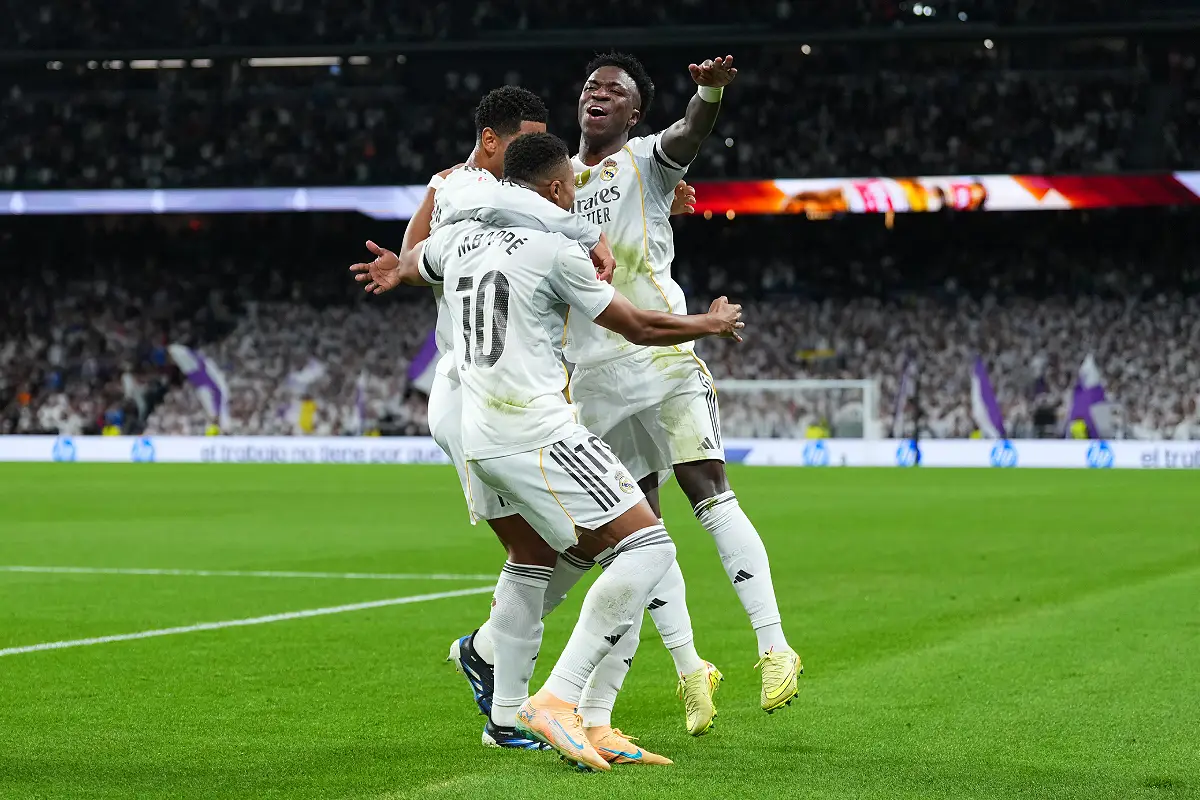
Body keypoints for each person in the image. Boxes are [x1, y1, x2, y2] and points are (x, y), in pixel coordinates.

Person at [351, 87, 711, 754]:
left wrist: (622, 215)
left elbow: (424, 252)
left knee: (552, 551)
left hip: (521, 398)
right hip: (486, 401)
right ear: (492, 143)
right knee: (614, 546)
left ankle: (512, 701)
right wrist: (594, 227)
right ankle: (548, 696)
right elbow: (470, 225)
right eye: (524, 143)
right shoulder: (464, 190)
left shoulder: (513, 207)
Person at [418, 131, 743, 771]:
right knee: (648, 547)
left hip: (476, 430)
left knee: (556, 555)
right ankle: (560, 701)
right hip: (536, 430)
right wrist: (709, 323)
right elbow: (638, 324)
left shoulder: (457, 239)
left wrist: (392, 268)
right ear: (561, 188)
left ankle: (570, 713)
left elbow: (414, 262)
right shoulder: (551, 249)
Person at [562, 52, 802, 715]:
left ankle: (774, 645)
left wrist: (707, 95)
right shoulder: (554, 184)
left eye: (614, 90)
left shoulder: (646, 158)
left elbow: (687, 134)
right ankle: (691, 668)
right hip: (594, 378)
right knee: (639, 530)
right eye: (590, 86)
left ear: (634, 111)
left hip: (662, 354)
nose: (598, 94)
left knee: (708, 491)